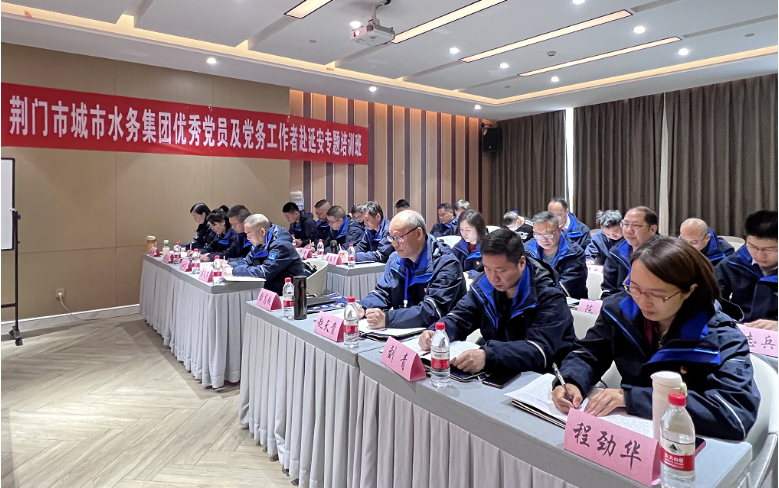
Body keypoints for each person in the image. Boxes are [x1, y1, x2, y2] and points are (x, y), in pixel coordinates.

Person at [552, 236, 759, 441]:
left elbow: (735, 413)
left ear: (689, 290)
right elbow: (588, 354)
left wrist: (632, 399)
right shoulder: (620, 311)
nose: (643, 302)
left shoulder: (722, 337)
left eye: (658, 294)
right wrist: (571, 381)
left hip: (687, 440)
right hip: (630, 430)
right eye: (634, 288)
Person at [419, 229, 575, 374]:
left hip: (546, 377)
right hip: (499, 369)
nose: (493, 278)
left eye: (501, 270)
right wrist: (437, 332)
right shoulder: (484, 284)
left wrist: (489, 355)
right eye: (487, 268)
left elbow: (539, 351)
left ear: (521, 263)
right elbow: (460, 317)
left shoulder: (549, 296)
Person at [356, 210, 467, 329]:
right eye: (391, 238)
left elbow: (432, 311)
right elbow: (382, 293)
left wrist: (388, 319)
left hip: (438, 334)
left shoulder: (446, 264)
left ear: (418, 234)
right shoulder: (395, 259)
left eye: (398, 238)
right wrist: (362, 307)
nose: (394, 244)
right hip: (405, 332)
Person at [716, 210, 778, 330]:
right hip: (739, 329)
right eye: (753, 247)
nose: (759, 255)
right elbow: (711, 302)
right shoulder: (732, 264)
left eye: (769, 249)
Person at [223, 214, 310, 294]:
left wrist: (234, 271)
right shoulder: (260, 242)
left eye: (249, 233)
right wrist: (228, 264)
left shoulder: (281, 245)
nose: (247, 238)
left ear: (262, 232)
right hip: (271, 288)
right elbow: (247, 261)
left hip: (289, 292)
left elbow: (265, 272)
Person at [525, 211, 588, 299]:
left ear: (559, 230)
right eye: (538, 234)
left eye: (548, 234)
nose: (543, 239)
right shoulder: (527, 249)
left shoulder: (574, 253)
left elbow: (567, 287)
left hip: (565, 300)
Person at [601, 206, 658, 297]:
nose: (628, 230)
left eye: (635, 225)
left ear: (652, 229)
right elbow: (609, 290)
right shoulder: (616, 252)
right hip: (620, 302)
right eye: (625, 224)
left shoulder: (666, 253)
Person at [452, 209, 487, 279]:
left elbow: (489, 273)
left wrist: (469, 274)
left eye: (468, 230)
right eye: (461, 229)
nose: (464, 233)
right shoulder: (458, 247)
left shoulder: (489, 247)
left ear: (478, 229)